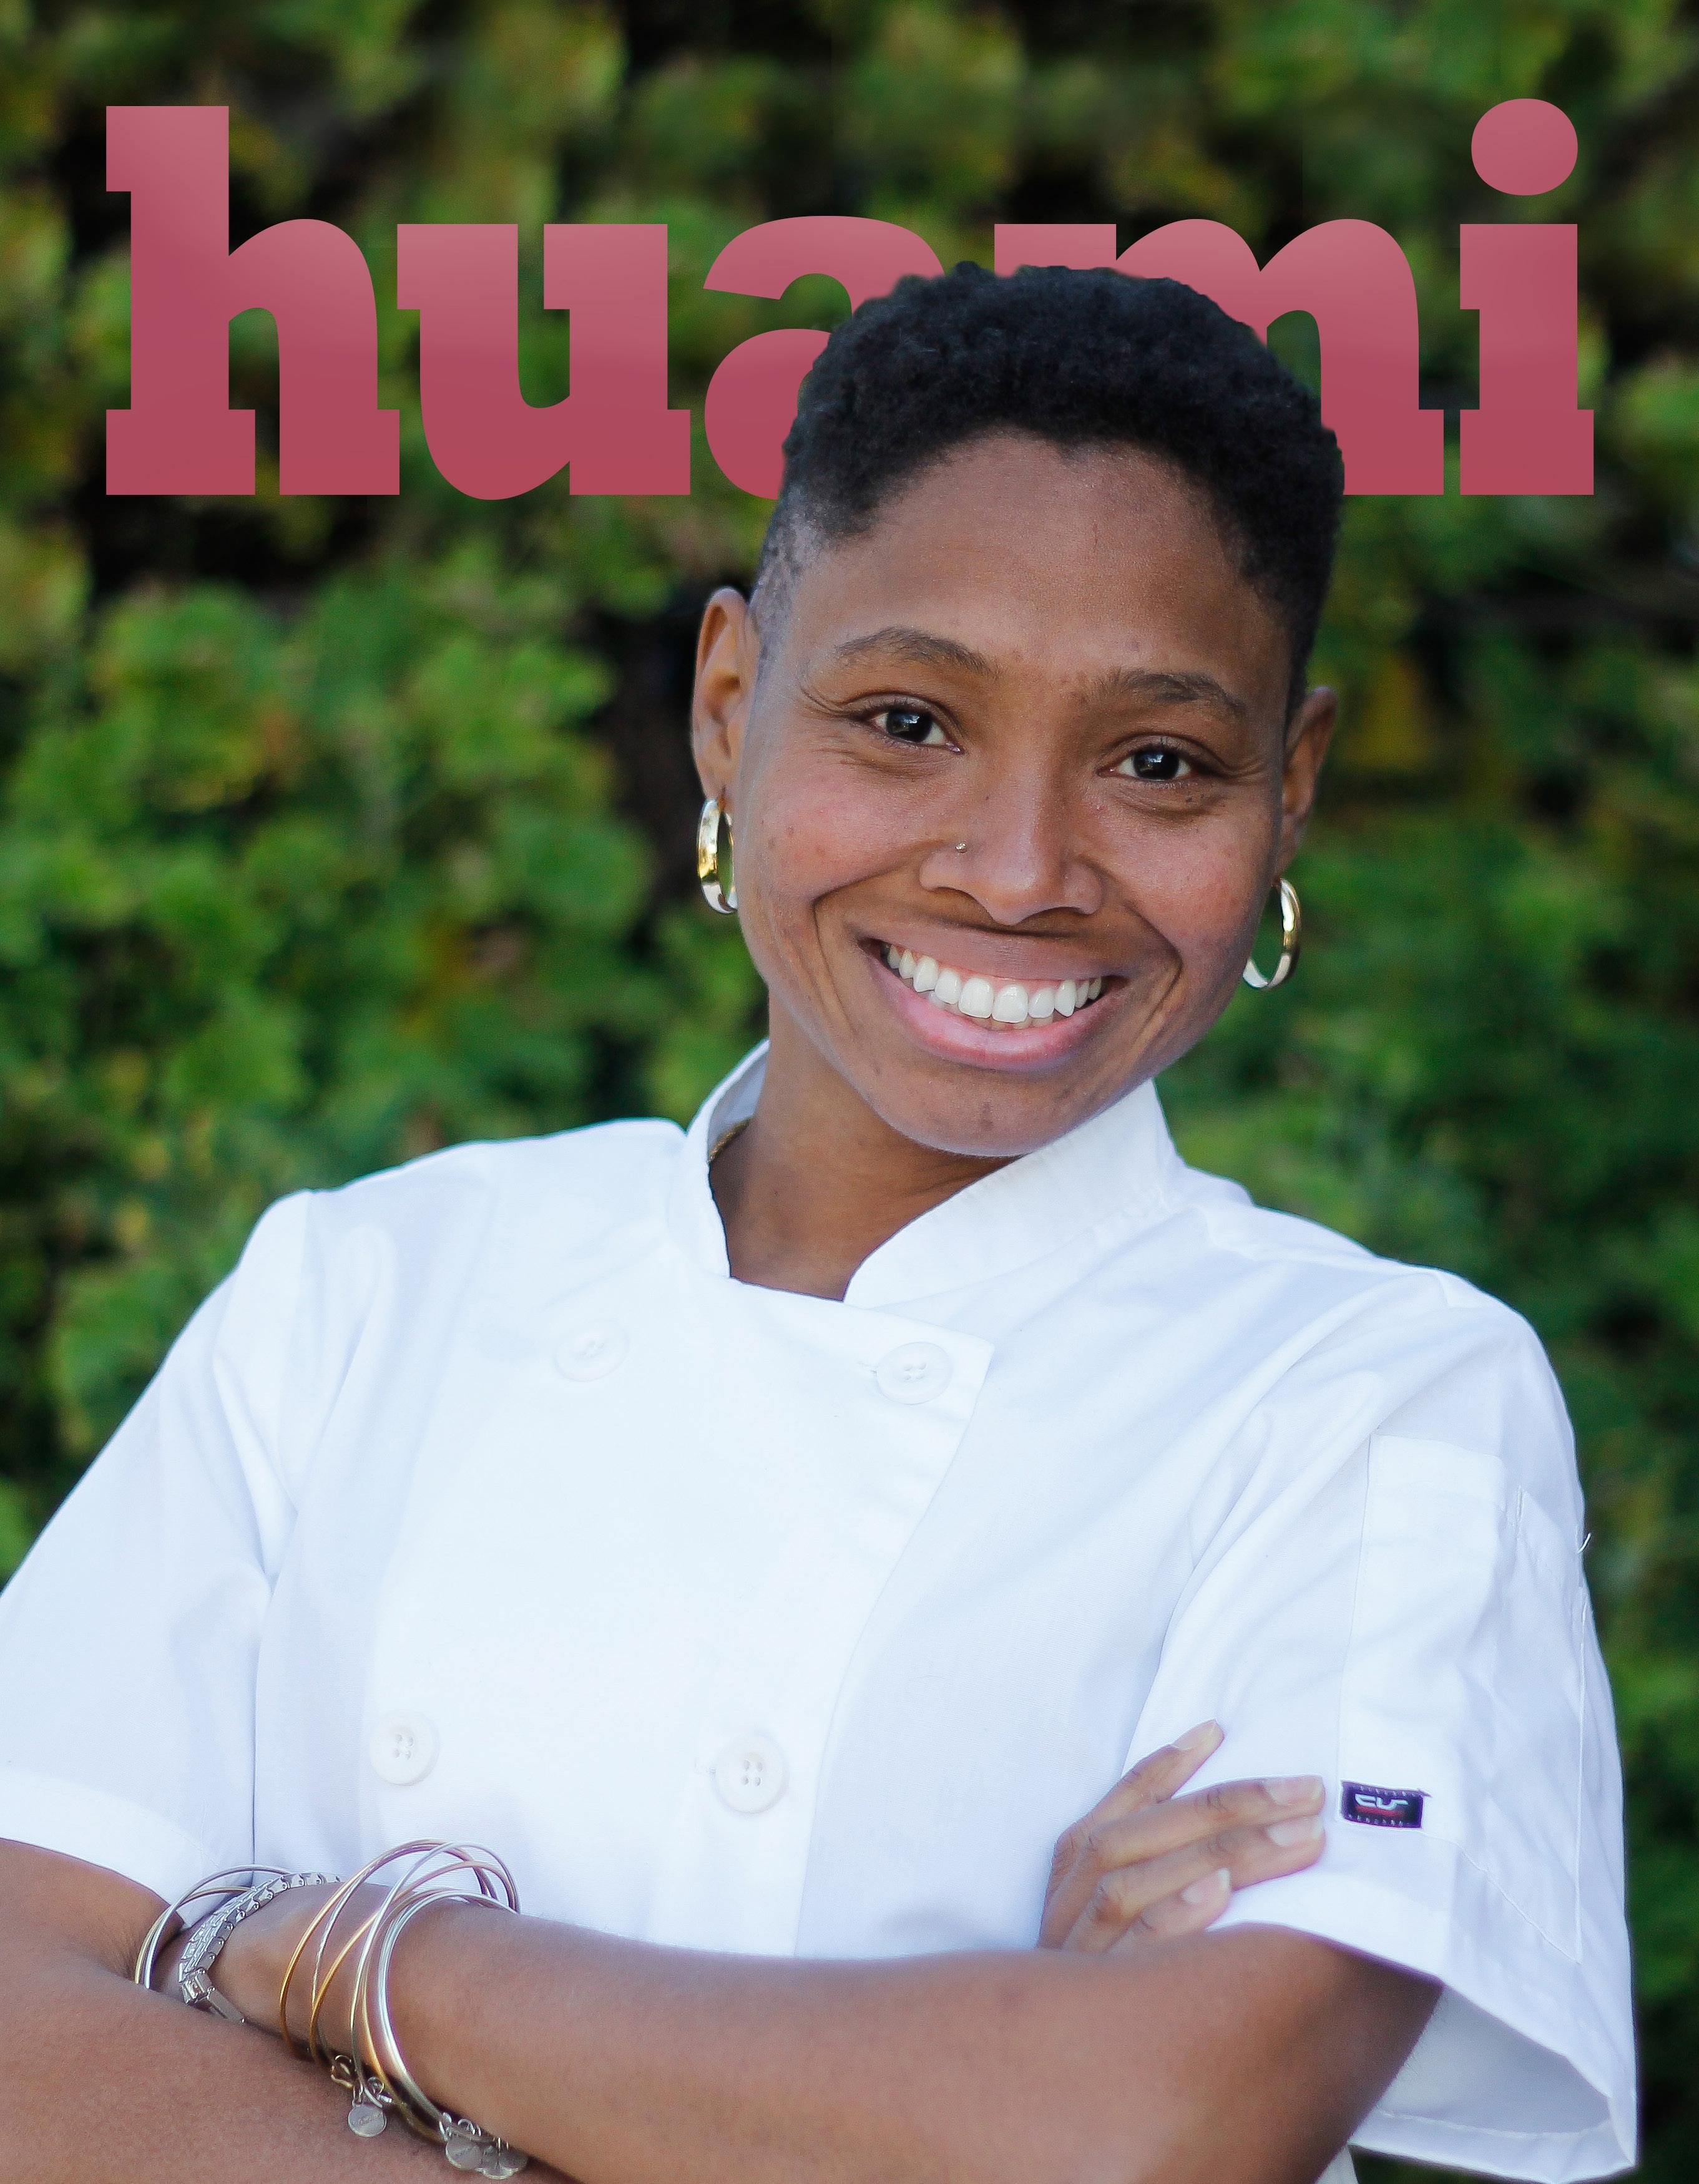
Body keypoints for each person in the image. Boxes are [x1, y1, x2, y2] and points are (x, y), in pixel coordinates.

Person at [0, 264, 1632, 2184]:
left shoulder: (1374, 1399)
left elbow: (1150, 2123)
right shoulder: (371, 1286)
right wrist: (949, 2079)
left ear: (1287, 793)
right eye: (906, 719)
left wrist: (344, 1957)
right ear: (728, 710)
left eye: (1158, 762)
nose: (1017, 870)